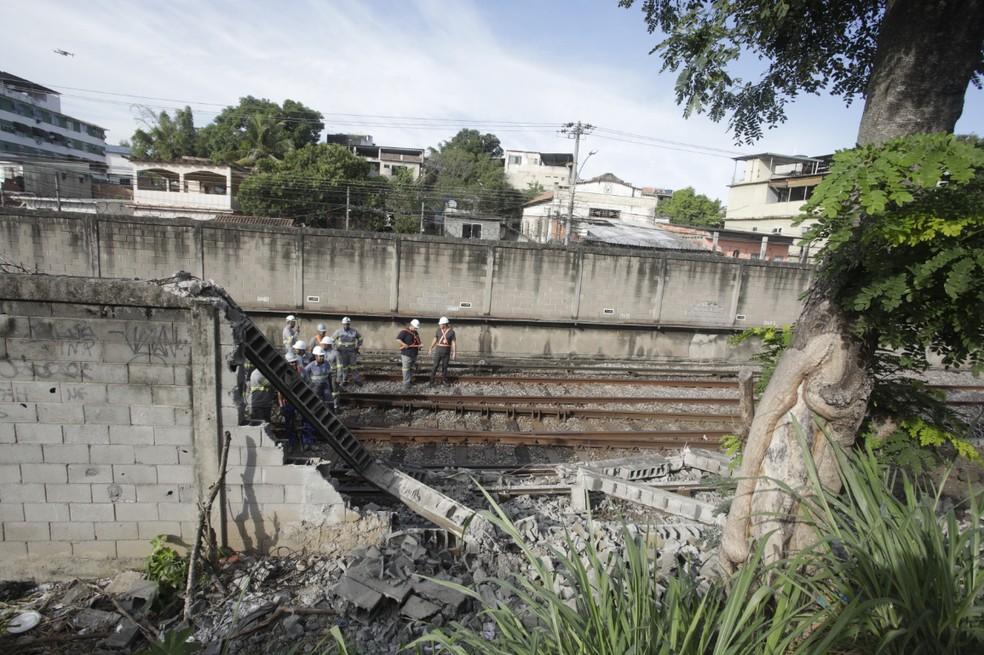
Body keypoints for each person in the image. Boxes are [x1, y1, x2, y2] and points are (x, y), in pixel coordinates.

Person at [332, 317, 363, 387]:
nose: (346, 325)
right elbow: (332, 340)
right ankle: (344, 380)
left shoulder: (354, 331)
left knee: (353, 367)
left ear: (349, 324)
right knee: (344, 367)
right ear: (343, 324)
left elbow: (360, 338)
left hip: (352, 352)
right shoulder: (338, 332)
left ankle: (356, 380)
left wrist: (358, 346)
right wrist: (335, 348)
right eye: (345, 324)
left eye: (347, 324)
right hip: (342, 352)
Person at [305, 345, 336, 411]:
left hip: (325, 385)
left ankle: (331, 413)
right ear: (316, 356)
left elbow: (330, 375)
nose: (322, 358)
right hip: (315, 386)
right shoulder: (311, 365)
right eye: (320, 356)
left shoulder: (327, 363)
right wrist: (309, 382)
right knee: (316, 401)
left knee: (329, 400)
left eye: (323, 356)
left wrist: (331, 387)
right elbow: (304, 372)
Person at [428, 316, 456, 386]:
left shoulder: (452, 332)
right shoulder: (438, 330)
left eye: (440, 324)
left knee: (445, 367)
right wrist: (430, 348)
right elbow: (435, 339)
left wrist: (454, 353)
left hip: (446, 353)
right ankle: (431, 381)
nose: (439, 325)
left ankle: (444, 380)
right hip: (438, 352)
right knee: (435, 366)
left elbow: (453, 342)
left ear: (445, 324)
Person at [396, 319, 422, 389]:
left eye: (416, 328)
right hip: (406, 354)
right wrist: (404, 344)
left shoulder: (415, 332)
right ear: (411, 325)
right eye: (415, 328)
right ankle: (406, 383)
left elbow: (417, 341)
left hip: (414, 354)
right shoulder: (404, 332)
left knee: (411, 368)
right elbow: (398, 339)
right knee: (406, 369)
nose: (416, 329)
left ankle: (410, 380)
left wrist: (419, 346)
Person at [320, 336, 341, 408]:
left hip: (333, 375)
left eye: (324, 344)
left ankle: (336, 406)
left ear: (328, 344)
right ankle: (327, 405)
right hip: (324, 375)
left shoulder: (336, 353)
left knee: (334, 391)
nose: (322, 345)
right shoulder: (321, 352)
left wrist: (338, 377)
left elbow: (339, 366)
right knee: (326, 390)